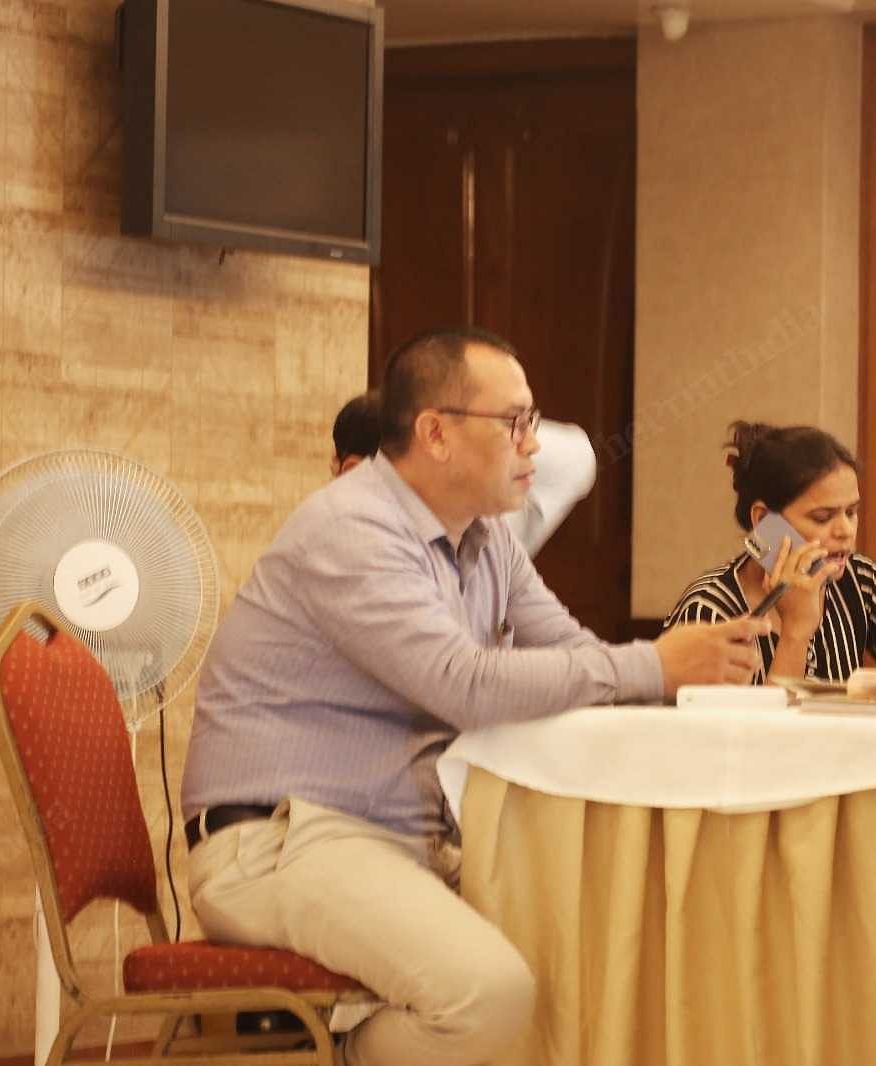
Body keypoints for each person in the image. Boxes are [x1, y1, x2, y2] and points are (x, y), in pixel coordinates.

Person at [181, 327, 768, 1066]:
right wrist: (655, 664)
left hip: (398, 838)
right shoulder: (352, 529)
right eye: (515, 423)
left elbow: (572, 652)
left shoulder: (488, 538)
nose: (535, 446)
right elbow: (463, 684)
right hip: (277, 838)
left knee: (581, 970)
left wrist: (678, 668)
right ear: (435, 433)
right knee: (487, 994)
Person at [664, 421, 876, 684]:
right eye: (823, 517)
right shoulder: (708, 609)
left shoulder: (859, 582)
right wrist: (796, 632)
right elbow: (734, 748)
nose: (845, 530)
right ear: (764, 521)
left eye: (852, 512)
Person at [330, 389, 598, 557]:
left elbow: (578, 456)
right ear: (354, 472)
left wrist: (485, 431)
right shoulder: (341, 561)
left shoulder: (486, 534)